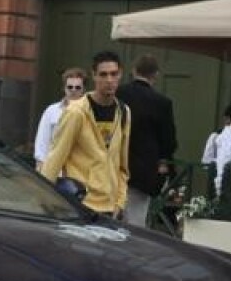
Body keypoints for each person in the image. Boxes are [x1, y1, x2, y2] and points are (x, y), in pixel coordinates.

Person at [39, 50, 130, 219]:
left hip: (111, 207)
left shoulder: (124, 111)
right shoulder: (76, 112)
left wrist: (120, 202)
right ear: (94, 76)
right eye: (103, 74)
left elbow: (122, 165)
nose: (109, 80)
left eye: (113, 74)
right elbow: (55, 157)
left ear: (120, 75)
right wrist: (44, 200)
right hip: (81, 203)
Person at [116, 55, 177, 228]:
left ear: (134, 71)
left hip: (113, 165)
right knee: (136, 222)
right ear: (155, 75)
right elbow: (169, 141)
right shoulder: (162, 103)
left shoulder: (118, 94)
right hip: (143, 172)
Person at [34, 67, 87, 173]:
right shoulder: (51, 111)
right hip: (53, 171)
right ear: (64, 88)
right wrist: (40, 168)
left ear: (83, 89)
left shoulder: (89, 113)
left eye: (78, 87)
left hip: (79, 173)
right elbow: (42, 142)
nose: (73, 90)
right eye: (70, 87)